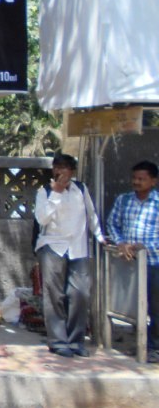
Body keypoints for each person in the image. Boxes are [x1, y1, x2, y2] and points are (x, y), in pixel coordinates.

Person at [33, 153, 105, 358]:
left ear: (72, 172)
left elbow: (91, 215)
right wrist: (55, 194)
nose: (59, 171)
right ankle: (57, 341)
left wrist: (100, 236)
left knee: (80, 294)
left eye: (64, 167)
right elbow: (42, 219)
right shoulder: (44, 191)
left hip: (78, 247)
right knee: (54, 295)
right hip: (52, 246)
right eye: (57, 167)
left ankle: (76, 341)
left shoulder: (81, 190)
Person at [106, 160, 159, 361]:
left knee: (156, 308)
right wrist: (121, 243)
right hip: (130, 264)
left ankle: (155, 347)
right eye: (134, 178)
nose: (136, 182)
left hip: (154, 263)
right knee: (133, 306)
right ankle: (139, 344)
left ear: (153, 181)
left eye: (141, 179)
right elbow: (112, 223)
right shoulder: (124, 200)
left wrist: (146, 247)